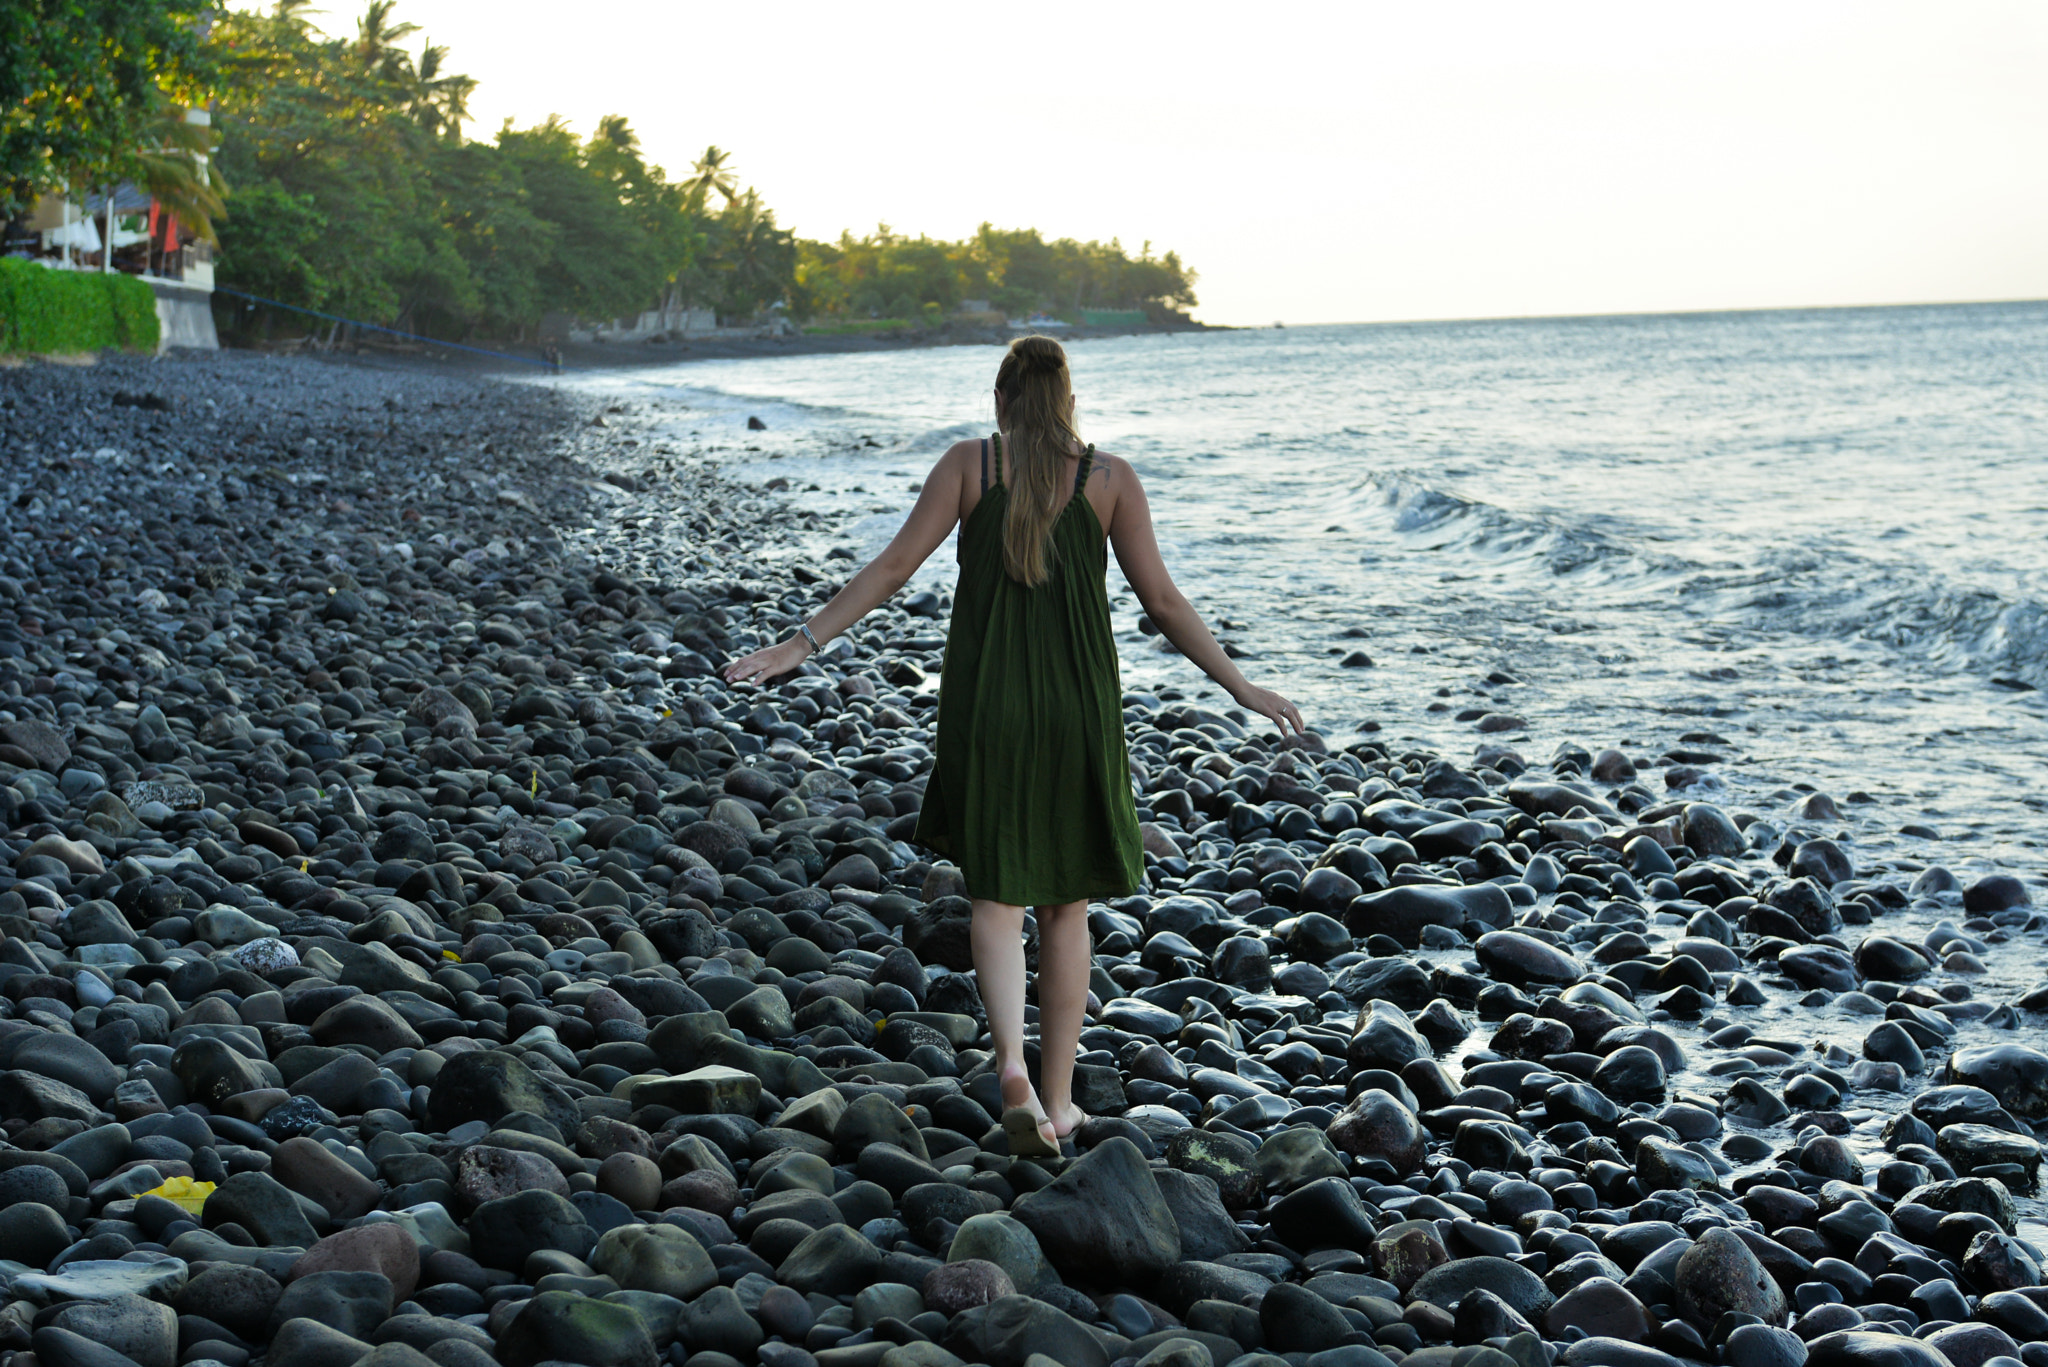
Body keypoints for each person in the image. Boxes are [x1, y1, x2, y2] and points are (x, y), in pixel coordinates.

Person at [723, 335, 1303, 1154]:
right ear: (1068, 401)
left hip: (986, 704)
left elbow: (891, 569)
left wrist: (800, 644)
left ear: (1001, 401)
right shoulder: (1109, 480)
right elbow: (1165, 603)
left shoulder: (969, 466)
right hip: (1077, 708)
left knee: (996, 897)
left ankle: (1010, 1069)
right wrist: (1242, 686)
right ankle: (1061, 1101)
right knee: (1068, 904)